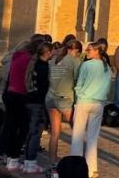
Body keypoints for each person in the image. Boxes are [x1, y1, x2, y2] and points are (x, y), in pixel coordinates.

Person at [1, 36, 45, 172]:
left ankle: (10, 158)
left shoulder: (17, 56)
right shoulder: (30, 60)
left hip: (10, 92)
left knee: (11, 128)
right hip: (21, 95)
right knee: (23, 129)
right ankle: (14, 159)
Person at [70, 41, 112, 178]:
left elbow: (79, 83)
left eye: (89, 50)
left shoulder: (86, 65)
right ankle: (91, 168)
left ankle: (76, 168)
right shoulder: (107, 67)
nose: (86, 52)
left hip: (84, 101)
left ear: (97, 51)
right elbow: (107, 88)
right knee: (92, 137)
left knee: (77, 135)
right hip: (98, 103)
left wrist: (78, 93)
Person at [47, 39, 83, 174]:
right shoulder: (74, 61)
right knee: (77, 130)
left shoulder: (54, 59)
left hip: (50, 97)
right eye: (78, 53)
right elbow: (78, 80)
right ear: (76, 51)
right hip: (65, 99)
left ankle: (52, 162)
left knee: (55, 133)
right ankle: (77, 162)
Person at [23, 42, 54, 174]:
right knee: (36, 133)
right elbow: (45, 85)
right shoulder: (44, 67)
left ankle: (27, 161)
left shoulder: (34, 64)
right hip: (38, 102)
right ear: (48, 53)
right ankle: (31, 162)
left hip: (30, 99)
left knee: (31, 132)